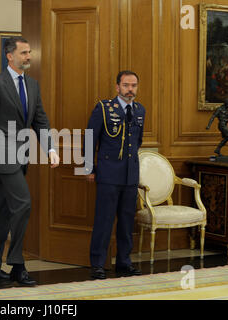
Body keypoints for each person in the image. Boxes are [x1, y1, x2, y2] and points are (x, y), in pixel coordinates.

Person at [0, 37, 60, 286]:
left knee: (3, 212)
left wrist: (50, 148)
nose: (29, 56)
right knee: (23, 204)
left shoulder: (32, 85)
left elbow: (40, 120)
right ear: (9, 56)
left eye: (29, 52)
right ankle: (17, 264)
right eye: (24, 52)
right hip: (1, 156)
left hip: (21, 158)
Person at [85, 71, 146, 279]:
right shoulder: (103, 108)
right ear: (117, 87)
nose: (130, 89)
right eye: (126, 85)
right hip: (108, 174)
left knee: (127, 221)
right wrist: (89, 168)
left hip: (130, 175)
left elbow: (138, 141)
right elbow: (90, 139)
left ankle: (124, 262)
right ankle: (98, 264)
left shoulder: (139, 110)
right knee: (104, 220)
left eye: (134, 85)